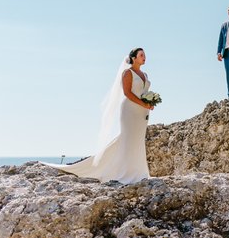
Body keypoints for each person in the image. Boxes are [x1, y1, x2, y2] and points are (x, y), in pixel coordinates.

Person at [43, 48, 154, 184]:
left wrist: (150, 103)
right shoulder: (127, 73)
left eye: (144, 55)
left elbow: (144, 93)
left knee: (138, 140)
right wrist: (143, 104)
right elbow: (127, 93)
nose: (144, 57)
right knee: (128, 139)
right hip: (130, 110)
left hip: (142, 112)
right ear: (133, 58)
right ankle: (125, 173)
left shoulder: (145, 75)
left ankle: (139, 172)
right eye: (141, 55)